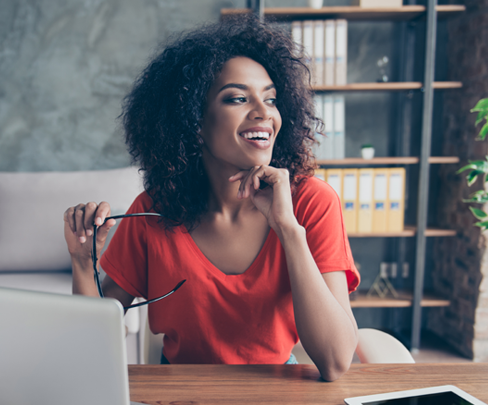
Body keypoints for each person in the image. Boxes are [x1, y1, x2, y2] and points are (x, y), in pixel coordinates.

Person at [63, 15, 360, 381]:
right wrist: (81, 261)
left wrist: (287, 227)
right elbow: (90, 342)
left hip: (275, 397)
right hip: (178, 396)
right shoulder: (154, 210)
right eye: (238, 98)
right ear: (194, 123)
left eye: (270, 99)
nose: (264, 113)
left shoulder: (312, 202)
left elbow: (335, 361)